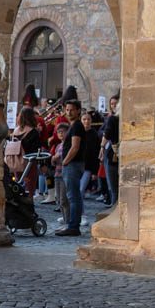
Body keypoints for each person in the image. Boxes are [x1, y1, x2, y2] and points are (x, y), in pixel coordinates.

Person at [56, 99, 85, 236]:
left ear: (78, 110)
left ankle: (73, 226)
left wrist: (65, 162)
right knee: (72, 196)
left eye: (72, 109)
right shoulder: (72, 125)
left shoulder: (77, 126)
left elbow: (75, 147)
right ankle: (72, 224)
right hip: (71, 164)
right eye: (67, 110)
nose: (69, 112)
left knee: (73, 197)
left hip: (73, 164)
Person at [13, 107, 41, 197]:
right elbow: (36, 149)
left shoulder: (15, 131)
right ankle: (29, 207)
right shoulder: (33, 132)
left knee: (18, 186)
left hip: (16, 163)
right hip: (29, 163)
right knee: (30, 188)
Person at [99, 94, 120, 206]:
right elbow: (103, 132)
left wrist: (102, 147)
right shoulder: (111, 117)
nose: (113, 105)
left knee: (113, 186)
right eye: (111, 103)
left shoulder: (112, 118)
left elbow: (106, 134)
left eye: (116, 103)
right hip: (113, 153)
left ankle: (114, 207)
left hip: (113, 153)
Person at [51, 123, 70, 227]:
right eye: (59, 132)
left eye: (63, 132)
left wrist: (59, 157)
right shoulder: (58, 145)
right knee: (58, 199)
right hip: (57, 174)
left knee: (64, 199)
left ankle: (68, 220)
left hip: (64, 174)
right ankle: (64, 217)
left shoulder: (68, 144)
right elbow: (53, 162)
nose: (61, 134)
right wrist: (53, 159)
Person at [79, 111, 101, 201]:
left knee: (81, 190)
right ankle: (79, 212)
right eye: (84, 119)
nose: (86, 121)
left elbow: (96, 153)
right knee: (77, 191)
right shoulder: (78, 132)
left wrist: (95, 172)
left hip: (88, 166)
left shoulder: (94, 134)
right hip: (78, 165)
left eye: (88, 119)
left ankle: (78, 213)